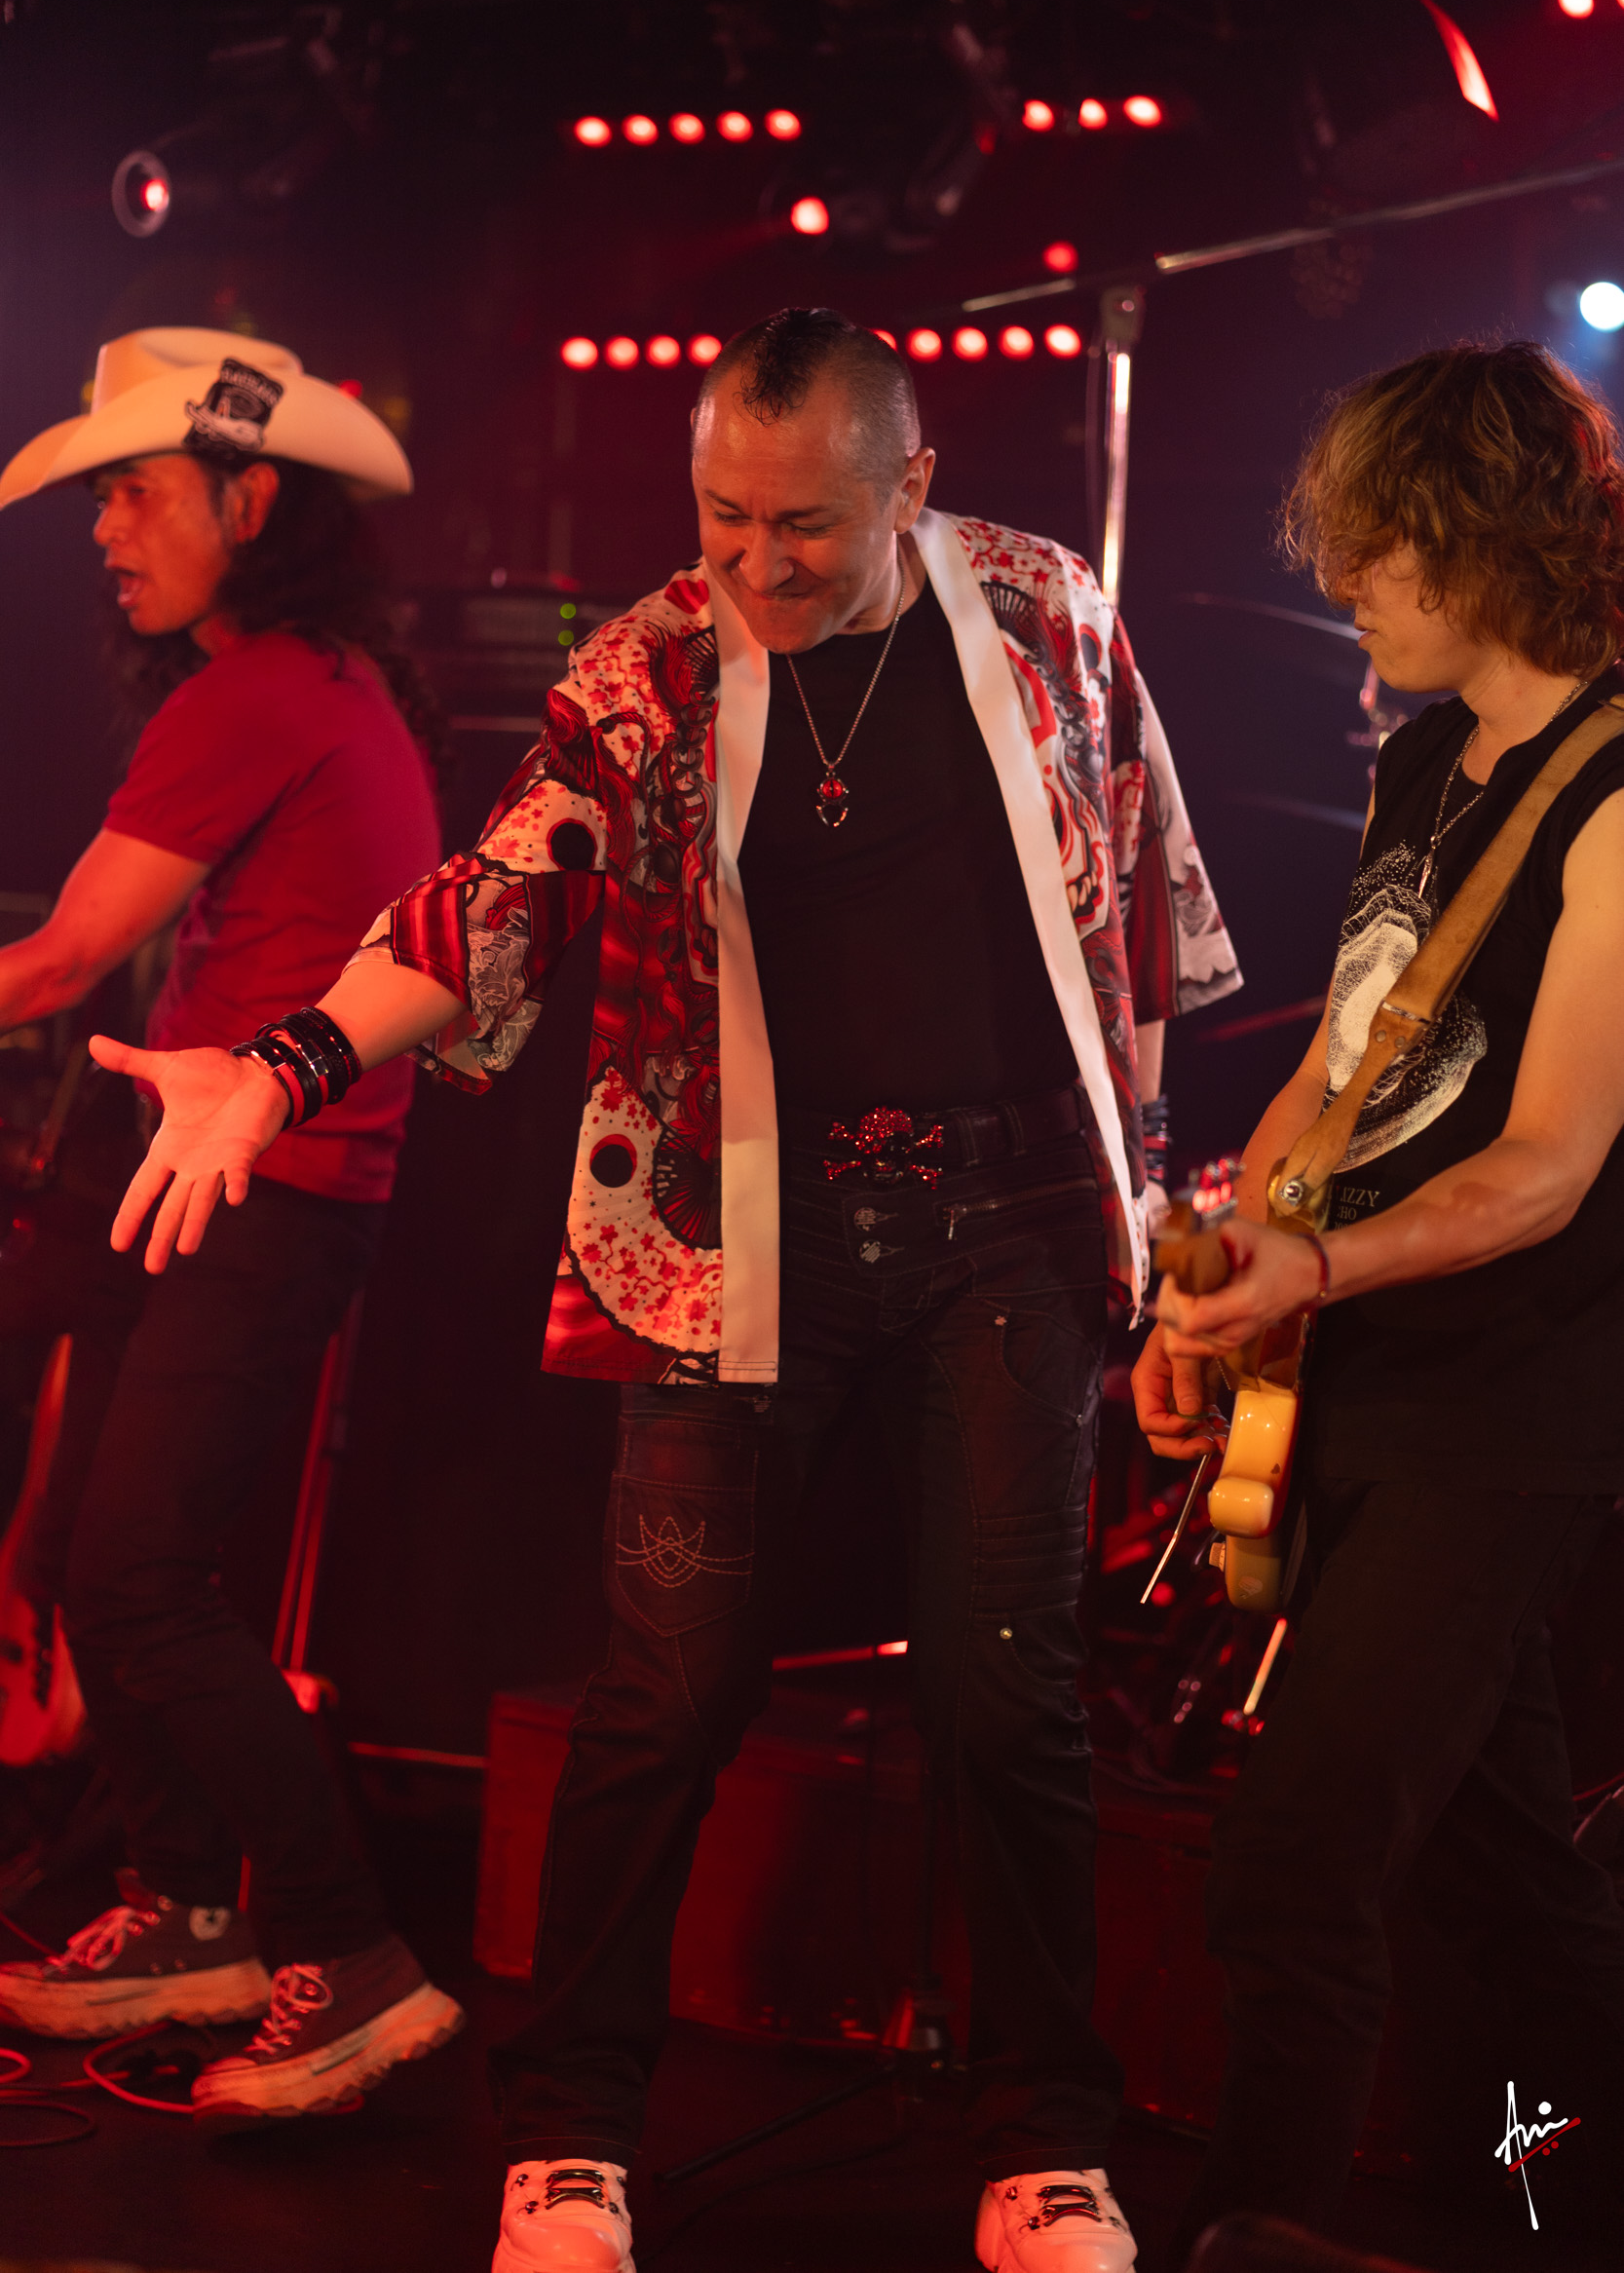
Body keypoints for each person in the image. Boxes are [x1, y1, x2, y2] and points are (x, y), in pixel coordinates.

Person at [93, 308, 1238, 2265]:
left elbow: (1137, 915)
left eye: (805, 525)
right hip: (737, 1230)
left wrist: (1151, 1204)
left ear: (911, 487)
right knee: (665, 1693)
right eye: (723, 516)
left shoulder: (1050, 613)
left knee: (1008, 1702)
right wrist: (284, 1064)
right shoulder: (654, 661)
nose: (758, 563)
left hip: (1002, 1231)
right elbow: (496, 894)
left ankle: (1047, 2145)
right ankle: (569, 2137)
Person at [1131, 341, 1624, 2258]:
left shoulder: (1615, 793)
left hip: (1512, 1406)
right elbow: (1344, 1068)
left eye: (1376, 545)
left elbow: (1551, 1160)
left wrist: (1316, 1262)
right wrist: (1223, 1296)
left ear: (1483, 543)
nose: (1340, 582)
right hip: (1362, 1367)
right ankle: (1566, 2210)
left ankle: (1254, 2229)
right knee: (1507, 1888)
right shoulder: (1428, 760)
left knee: (1298, 1856)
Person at [0, 328, 465, 2114]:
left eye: (136, 491)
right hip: (199, 1181)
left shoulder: (266, 689)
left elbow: (61, 958)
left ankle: (353, 1958)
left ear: (250, 501)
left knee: (134, 1573)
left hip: (263, 1191)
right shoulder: (298, 681)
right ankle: (190, 1914)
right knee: (84, 1564)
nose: (104, 529)